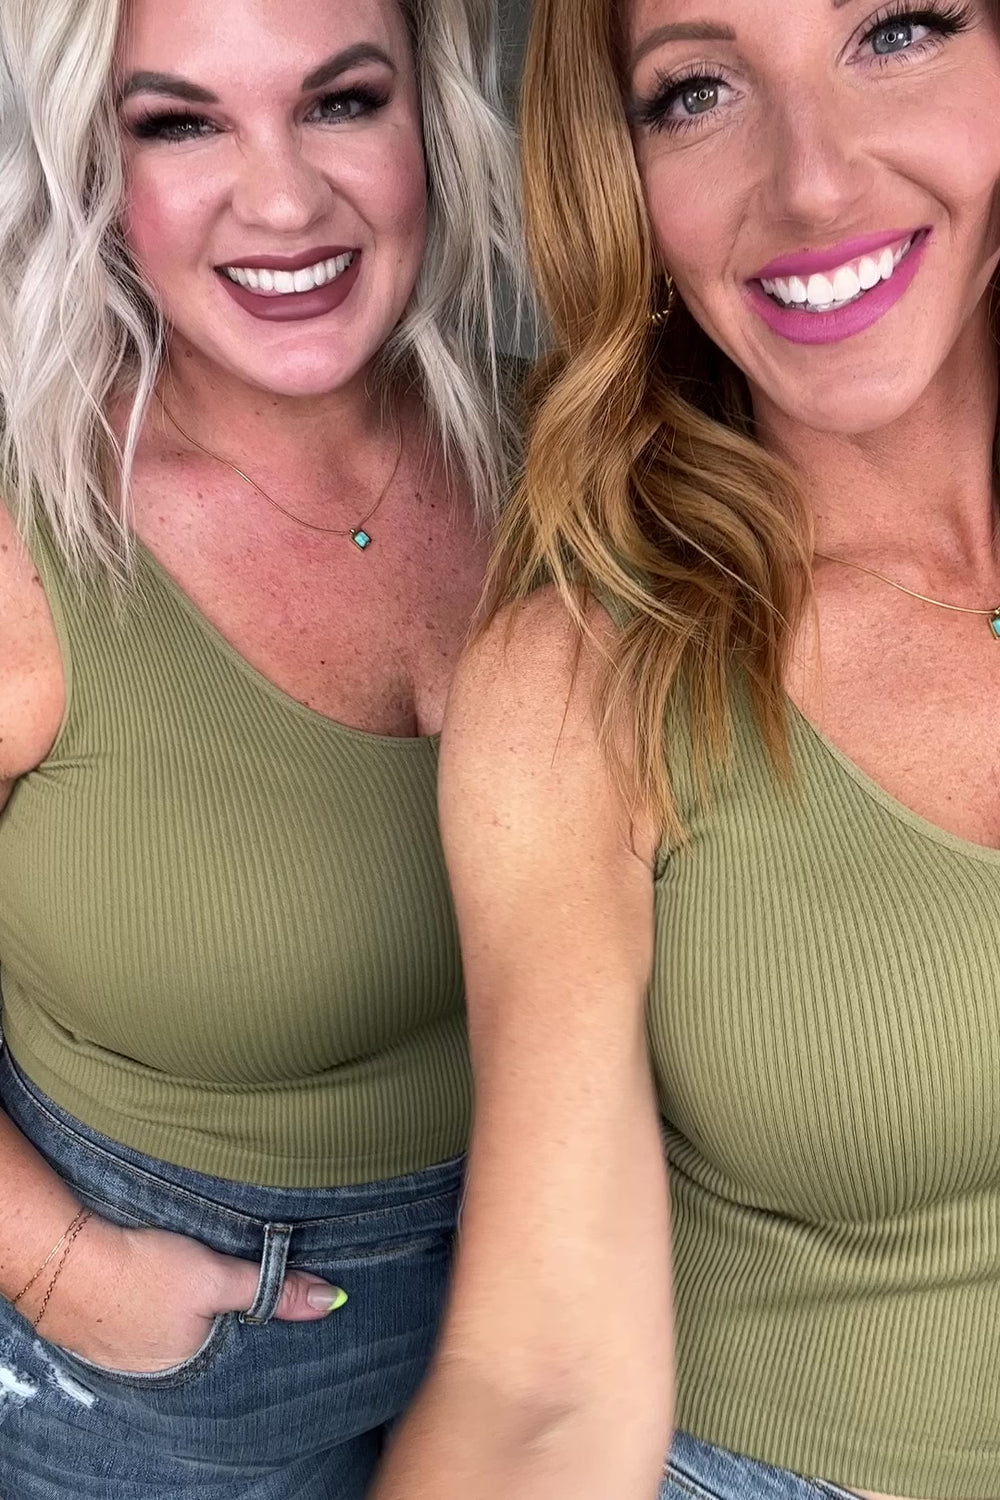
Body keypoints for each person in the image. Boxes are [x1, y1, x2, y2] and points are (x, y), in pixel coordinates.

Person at [371, 1, 1000, 1498]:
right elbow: (541, 1392)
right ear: (622, 183)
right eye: (696, 91)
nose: (815, 183)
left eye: (898, 29)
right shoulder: (582, 684)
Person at [0, 0, 521, 1495]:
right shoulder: (36, 533)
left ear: (431, 118)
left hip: (560, 1309)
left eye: (341, 102)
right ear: (101, 171)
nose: (283, 201)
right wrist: (63, 1267)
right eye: (182, 123)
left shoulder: (574, 454)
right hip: (167, 1378)